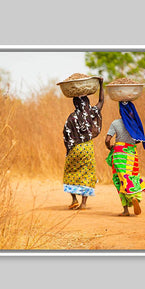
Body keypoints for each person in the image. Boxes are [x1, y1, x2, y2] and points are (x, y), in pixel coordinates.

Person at [62, 78, 104, 210]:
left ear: (75, 103)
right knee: (87, 173)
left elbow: (66, 134)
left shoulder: (71, 117)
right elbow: (101, 101)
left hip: (74, 149)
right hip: (87, 148)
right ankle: (84, 203)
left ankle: (74, 199)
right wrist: (101, 84)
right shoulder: (91, 113)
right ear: (87, 102)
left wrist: (69, 149)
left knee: (70, 172)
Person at [105, 100, 145, 216]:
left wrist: (110, 147)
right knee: (132, 177)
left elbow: (107, 140)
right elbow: (139, 139)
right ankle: (136, 198)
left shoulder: (115, 123)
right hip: (132, 153)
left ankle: (126, 210)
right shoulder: (134, 123)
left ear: (120, 111)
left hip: (119, 154)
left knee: (120, 179)